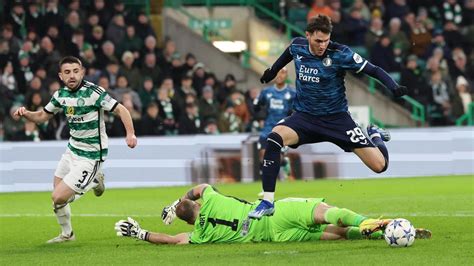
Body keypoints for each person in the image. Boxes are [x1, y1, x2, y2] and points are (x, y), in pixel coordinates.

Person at [248, 15, 408, 220]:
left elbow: (373, 70)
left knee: (380, 166)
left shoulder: (341, 53)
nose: (322, 45)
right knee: (274, 137)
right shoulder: (298, 46)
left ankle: (374, 134)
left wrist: (393, 88)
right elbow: (286, 55)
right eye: (317, 41)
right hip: (305, 117)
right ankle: (267, 201)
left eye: (326, 40)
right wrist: (272, 71)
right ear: (308, 36)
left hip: (337, 120)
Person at [12, 56, 137, 243]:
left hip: (92, 155)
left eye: (76, 71)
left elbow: (122, 110)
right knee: (58, 198)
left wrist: (130, 134)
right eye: (67, 72)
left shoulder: (94, 92)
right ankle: (67, 235)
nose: (72, 75)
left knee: (58, 196)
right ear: (61, 76)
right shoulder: (60, 95)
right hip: (72, 150)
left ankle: (94, 180)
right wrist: (26, 114)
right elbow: (42, 117)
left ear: (82, 72)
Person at [115, 184, 431, 244]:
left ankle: (373, 233)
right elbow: (199, 188)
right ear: (195, 206)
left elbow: (171, 240)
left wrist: (141, 232)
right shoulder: (208, 198)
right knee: (329, 213)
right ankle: (371, 224)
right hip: (275, 214)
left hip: (274, 237)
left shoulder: (200, 235)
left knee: (330, 235)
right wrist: (176, 201)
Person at [254, 67, 296, 180]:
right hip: (267, 128)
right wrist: (260, 119)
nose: (279, 76)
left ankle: (284, 163)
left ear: (286, 76)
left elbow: (297, 111)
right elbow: (257, 107)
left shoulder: (292, 93)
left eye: (282, 73)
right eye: (277, 73)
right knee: (263, 155)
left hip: (283, 129)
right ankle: (266, 185)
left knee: (277, 157)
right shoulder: (266, 92)